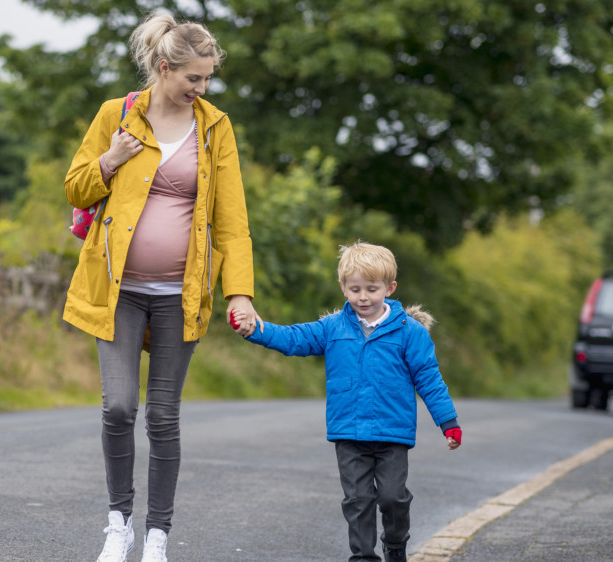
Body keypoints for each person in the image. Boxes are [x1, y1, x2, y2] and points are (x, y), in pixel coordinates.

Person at [62, 11, 259, 562]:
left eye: (209, 78)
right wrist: (111, 158)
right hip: (117, 288)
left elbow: (232, 219)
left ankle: (157, 536)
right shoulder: (117, 115)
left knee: (164, 415)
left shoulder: (215, 126)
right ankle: (118, 524)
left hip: (181, 293)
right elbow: (76, 188)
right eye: (195, 78)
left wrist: (238, 292)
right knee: (120, 406)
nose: (204, 88)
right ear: (165, 68)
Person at [235, 241, 462, 562]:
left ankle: (395, 544)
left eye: (372, 288)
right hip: (349, 433)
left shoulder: (409, 333)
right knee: (358, 500)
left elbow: (429, 379)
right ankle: (363, 556)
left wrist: (448, 423)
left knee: (393, 498)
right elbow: (293, 338)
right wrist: (254, 329)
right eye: (355, 289)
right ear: (343, 287)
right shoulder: (332, 328)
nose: (363, 297)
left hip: (392, 434)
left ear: (390, 287)